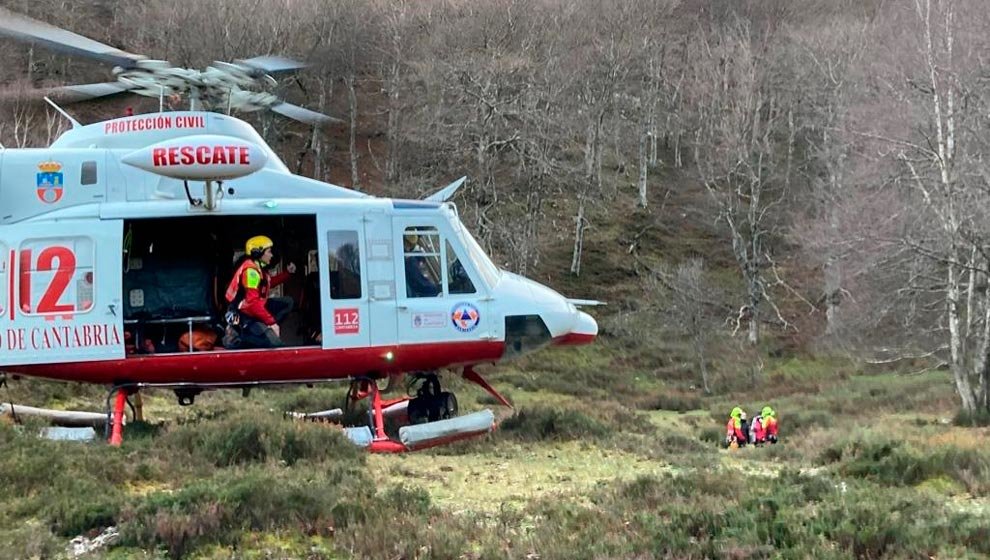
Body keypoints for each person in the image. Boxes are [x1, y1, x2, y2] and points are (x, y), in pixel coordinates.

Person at [224, 235, 296, 348]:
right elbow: (252, 303)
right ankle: (244, 336)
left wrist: (287, 273)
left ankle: (262, 326)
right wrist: (272, 323)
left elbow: (268, 283)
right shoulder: (251, 272)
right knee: (275, 344)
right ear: (258, 253)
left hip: (254, 309)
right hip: (244, 314)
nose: (271, 255)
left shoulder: (259, 268)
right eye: (269, 252)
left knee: (288, 302)